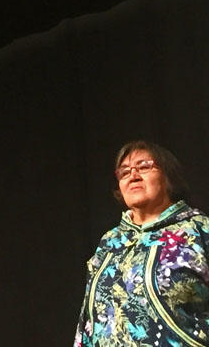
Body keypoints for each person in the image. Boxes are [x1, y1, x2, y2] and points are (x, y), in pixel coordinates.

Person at [74, 140, 209, 346]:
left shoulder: (199, 230)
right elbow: (88, 321)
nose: (133, 175)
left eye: (144, 166)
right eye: (125, 172)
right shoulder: (110, 242)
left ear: (167, 176)